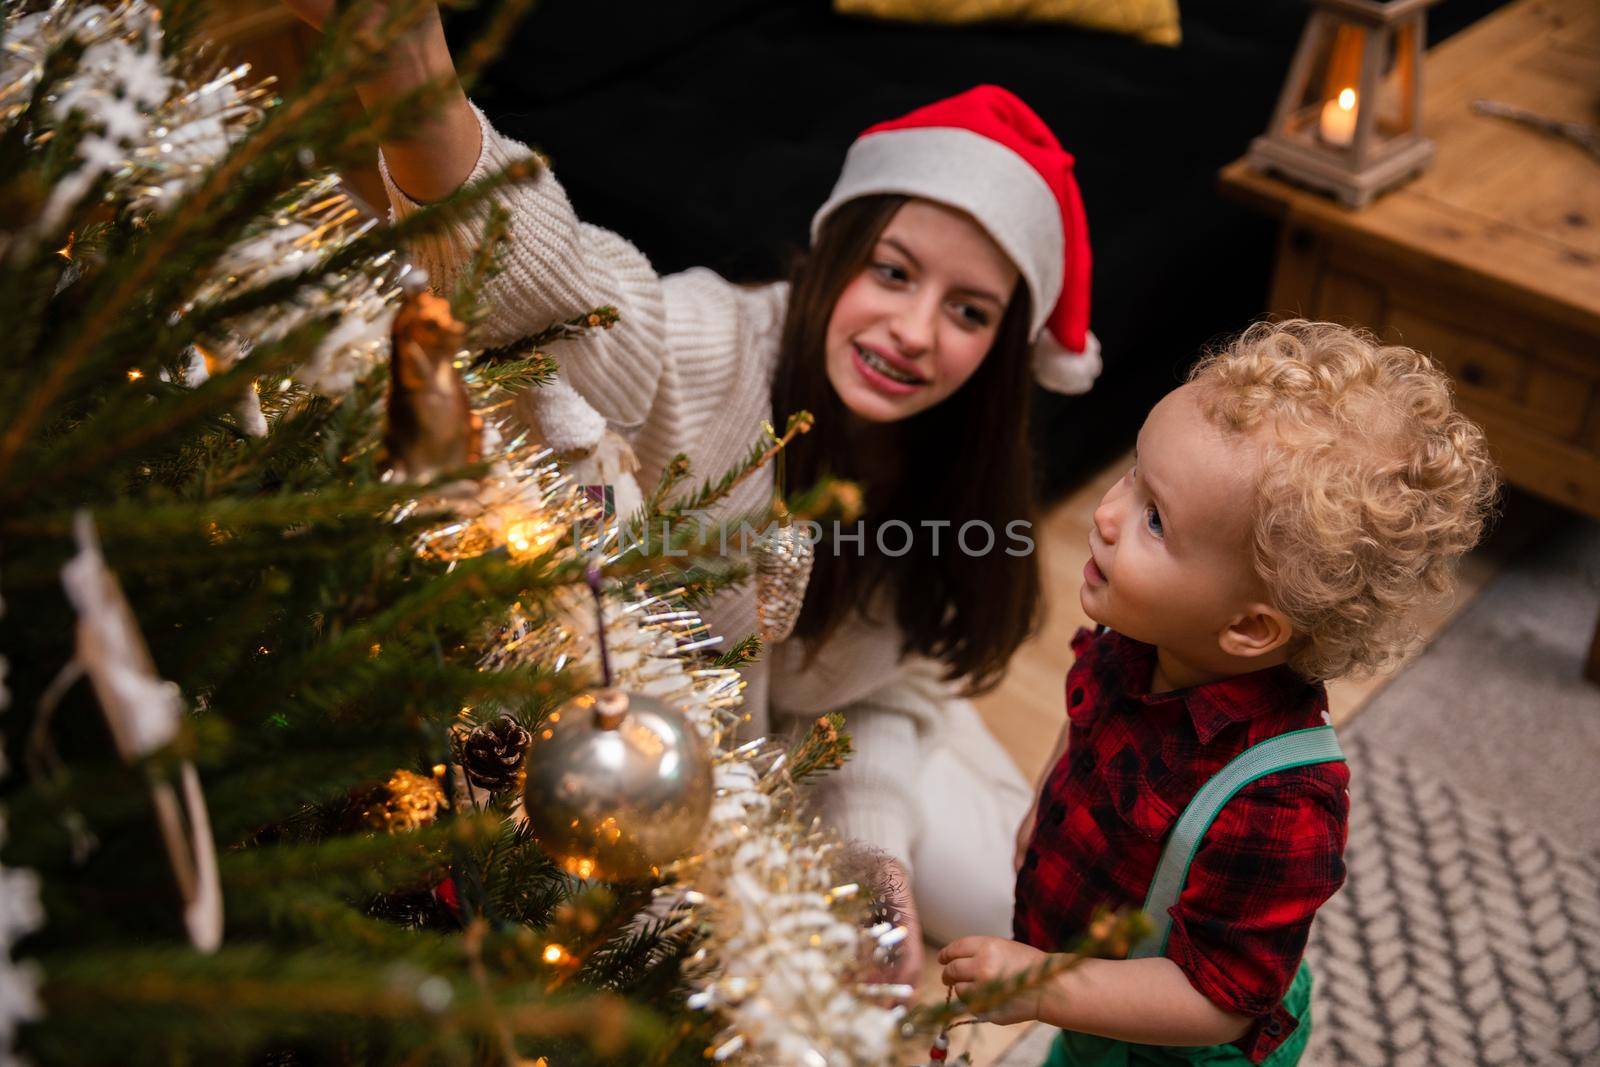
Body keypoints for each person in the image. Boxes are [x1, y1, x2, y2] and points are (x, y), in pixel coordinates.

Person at [283, 2, 1101, 977]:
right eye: (892, 271)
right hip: (668, 761)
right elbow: (558, 294)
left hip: (818, 730)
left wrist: (871, 855)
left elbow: (901, 682)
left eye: (967, 309)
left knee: (1038, 919)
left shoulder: (958, 471)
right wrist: (413, 64)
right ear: (839, 257)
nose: (916, 329)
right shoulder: (715, 349)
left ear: (1006, 349)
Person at [939, 320, 1498, 1064]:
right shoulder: (1136, 639)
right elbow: (1084, 723)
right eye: (1132, 472)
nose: (1105, 515)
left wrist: (1045, 988)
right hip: (1094, 1001)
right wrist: (1046, 803)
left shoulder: (1283, 801)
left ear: (1249, 626)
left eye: (1155, 519)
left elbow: (1221, 1001)